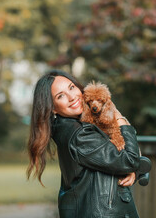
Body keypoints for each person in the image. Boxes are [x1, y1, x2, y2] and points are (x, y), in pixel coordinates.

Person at [27, 70, 140, 218]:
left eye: (71, 87)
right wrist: (120, 119)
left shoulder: (77, 125)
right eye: (60, 96)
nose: (72, 97)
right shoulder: (79, 135)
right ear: (53, 107)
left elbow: (124, 159)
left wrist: (131, 170)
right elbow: (129, 160)